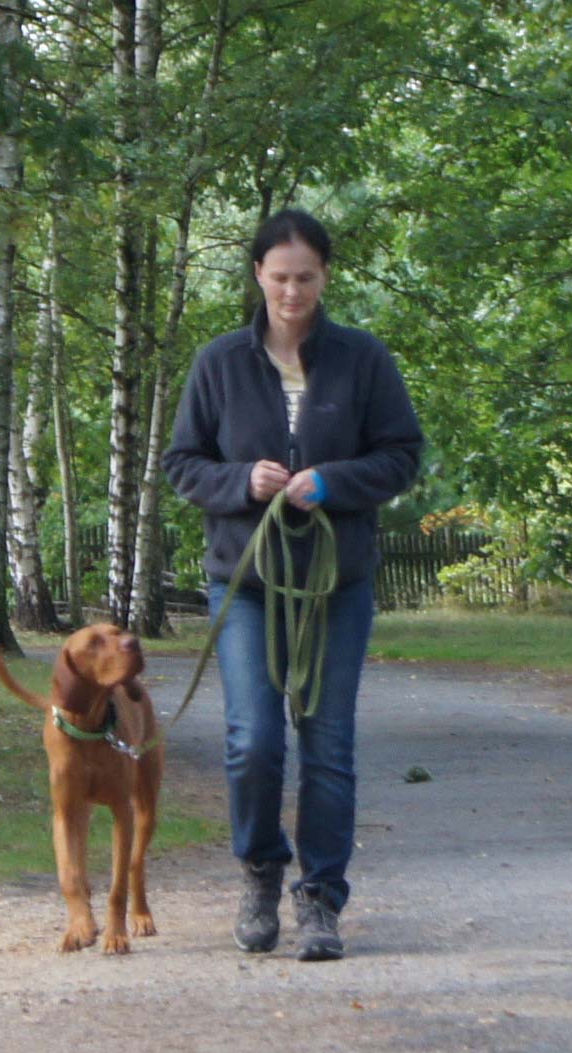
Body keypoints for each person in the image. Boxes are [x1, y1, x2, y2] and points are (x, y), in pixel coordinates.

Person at [162, 209, 423, 961]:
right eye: (279, 277)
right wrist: (242, 479)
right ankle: (260, 870)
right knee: (252, 741)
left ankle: (321, 899)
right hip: (244, 582)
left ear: (324, 277)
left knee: (327, 741)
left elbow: (401, 455)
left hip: (335, 582)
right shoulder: (217, 363)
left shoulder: (364, 360)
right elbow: (183, 462)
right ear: (257, 277)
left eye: (305, 277)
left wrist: (331, 481)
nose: (291, 290)